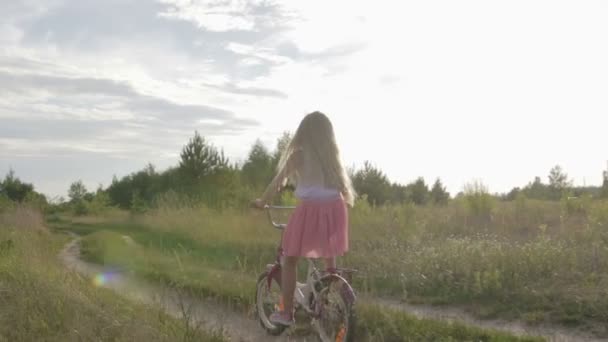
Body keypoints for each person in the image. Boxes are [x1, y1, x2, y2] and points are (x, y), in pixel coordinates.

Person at [253, 111, 356, 326]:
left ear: (303, 133)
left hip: (310, 209)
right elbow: (344, 191)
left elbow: (277, 183)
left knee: (289, 259)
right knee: (328, 251)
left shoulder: (298, 156)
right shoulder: (332, 157)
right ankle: (332, 280)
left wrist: (262, 202)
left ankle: (286, 311)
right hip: (336, 208)